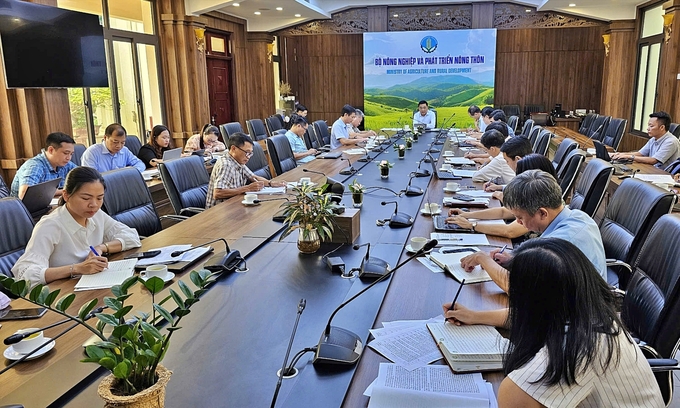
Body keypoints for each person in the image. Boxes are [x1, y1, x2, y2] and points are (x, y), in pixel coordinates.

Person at [444, 238, 664, 407]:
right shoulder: (591, 313)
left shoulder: (574, 350)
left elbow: (512, 396)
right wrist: (474, 316)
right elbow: (533, 315)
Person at [456, 170, 607, 296]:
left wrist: (483, 259)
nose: (519, 222)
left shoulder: (560, 243)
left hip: (578, 321)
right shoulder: (578, 216)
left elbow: (518, 289)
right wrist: (515, 261)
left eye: (520, 217)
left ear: (542, 213)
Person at [11, 167, 141, 286]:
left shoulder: (96, 215)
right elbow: (25, 276)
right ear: (66, 195)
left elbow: (132, 236)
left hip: (94, 286)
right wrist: (77, 268)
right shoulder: (50, 225)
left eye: (100, 198)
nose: (94, 205)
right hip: (61, 295)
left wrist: (101, 247)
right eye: (86, 198)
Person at [447, 154, 557, 239]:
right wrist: (467, 215)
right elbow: (504, 211)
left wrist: (472, 225)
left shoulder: (542, 204)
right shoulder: (538, 197)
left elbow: (510, 231)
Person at [206, 132, 287, 208]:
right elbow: (217, 193)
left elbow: (254, 177)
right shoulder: (226, 165)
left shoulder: (238, 161)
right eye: (247, 152)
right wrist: (248, 188)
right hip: (218, 211)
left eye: (251, 153)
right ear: (233, 148)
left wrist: (271, 183)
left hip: (233, 205)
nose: (248, 157)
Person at [10, 132, 77, 199]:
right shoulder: (34, 166)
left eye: (71, 154)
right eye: (66, 153)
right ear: (51, 150)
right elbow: (24, 194)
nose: (69, 158)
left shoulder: (65, 164)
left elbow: (84, 177)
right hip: (27, 208)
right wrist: (61, 192)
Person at [612, 111, 680, 168]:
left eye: (651, 126)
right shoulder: (654, 138)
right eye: (648, 125)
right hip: (651, 170)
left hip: (664, 176)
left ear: (662, 127)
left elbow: (653, 160)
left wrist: (629, 156)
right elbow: (640, 154)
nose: (648, 128)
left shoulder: (671, 141)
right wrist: (619, 154)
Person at [81, 124, 146, 173]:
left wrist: (129, 173)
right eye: (115, 142)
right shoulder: (92, 152)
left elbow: (140, 164)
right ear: (105, 138)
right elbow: (90, 176)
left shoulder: (124, 150)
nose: (119, 146)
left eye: (122, 142)